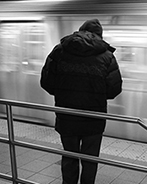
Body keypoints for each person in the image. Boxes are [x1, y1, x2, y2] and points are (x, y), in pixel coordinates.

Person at [40, 19, 122, 184]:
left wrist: (65, 93)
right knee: (90, 159)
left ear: (79, 31)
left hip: (66, 116)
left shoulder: (59, 51)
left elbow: (46, 82)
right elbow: (114, 89)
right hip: (94, 118)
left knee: (69, 155)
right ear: (99, 35)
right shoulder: (107, 56)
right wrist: (95, 94)